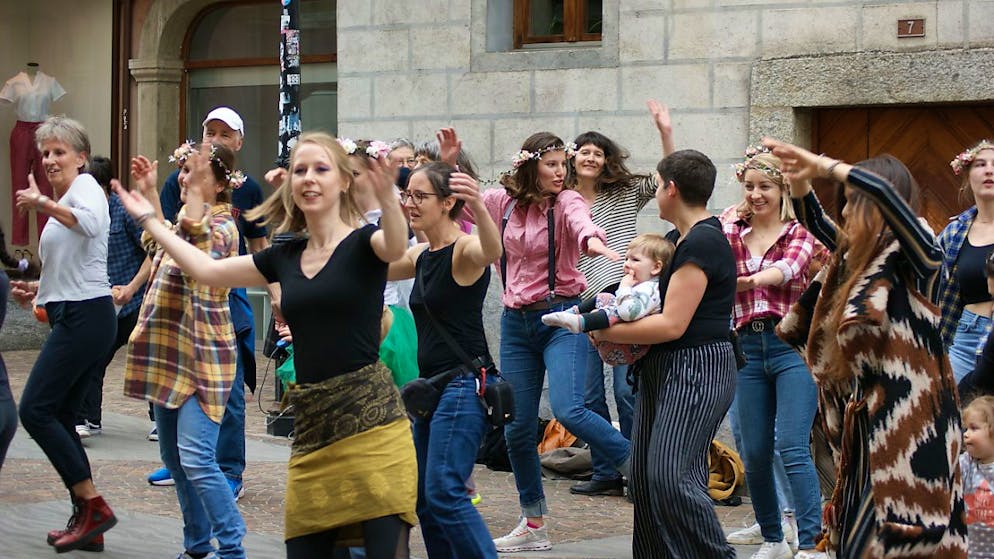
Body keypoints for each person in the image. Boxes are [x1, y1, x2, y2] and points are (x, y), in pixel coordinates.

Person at [113, 132, 416, 558]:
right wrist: (149, 220)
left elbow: (397, 246)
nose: (309, 178)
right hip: (313, 432)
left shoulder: (364, 245)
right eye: (300, 170)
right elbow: (204, 268)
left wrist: (388, 199)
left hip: (373, 428)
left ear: (344, 181)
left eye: (321, 169)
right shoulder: (284, 256)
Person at [766, 138, 967, 557]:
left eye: (854, 202)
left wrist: (823, 164)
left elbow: (885, 196)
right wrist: (801, 183)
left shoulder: (922, 258)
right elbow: (818, 222)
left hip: (914, 427)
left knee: (908, 540)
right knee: (856, 541)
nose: (843, 213)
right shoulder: (855, 262)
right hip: (866, 426)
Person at [470, 131, 627, 554]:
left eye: (564, 164)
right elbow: (468, 204)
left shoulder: (569, 201)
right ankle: (533, 522)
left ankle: (639, 467)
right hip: (515, 322)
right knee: (516, 429)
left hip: (562, 316)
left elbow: (583, 226)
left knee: (570, 408)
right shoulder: (501, 202)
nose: (561, 172)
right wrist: (449, 166)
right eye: (553, 164)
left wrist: (595, 244)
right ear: (530, 166)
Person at [592, 149, 737, 558]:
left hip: (698, 367)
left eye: (658, 184)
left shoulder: (705, 242)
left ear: (671, 189)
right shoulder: (677, 240)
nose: (656, 192)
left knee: (670, 477)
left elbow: (673, 324)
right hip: (666, 366)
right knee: (644, 476)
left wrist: (604, 327)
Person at [124, 141, 246, 559]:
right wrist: (150, 195)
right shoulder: (181, 223)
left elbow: (197, 250)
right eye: (184, 172)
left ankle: (232, 548)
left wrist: (186, 202)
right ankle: (196, 547)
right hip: (169, 356)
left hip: (203, 359)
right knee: (175, 462)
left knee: (196, 460)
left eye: (195, 174)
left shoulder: (225, 229)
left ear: (218, 186)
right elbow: (161, 244)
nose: (185, 179)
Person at [147, 107, 268, 498]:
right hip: (178, 302)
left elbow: (257, 245)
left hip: (224, 301)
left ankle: (229, 470)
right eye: (208, 131)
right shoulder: (176, 182)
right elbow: (163, 236)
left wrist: (278, 295)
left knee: (227, 390)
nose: (214, 139)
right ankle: (178, 459)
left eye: (223, 133)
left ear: (238, 141)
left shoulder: (241, 197)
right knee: (173, 380)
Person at [386, 161, 502, 558]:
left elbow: (492, 250)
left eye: (420, 196)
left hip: (462, 386)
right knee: (425, 500)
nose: (410, 203)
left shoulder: (463, 251)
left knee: (446, 491)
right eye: (408, 195)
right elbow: (375, 267)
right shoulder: (421, 254)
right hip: (430, 390)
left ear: (448, 201)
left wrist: (480, 207)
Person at [12, 115, 117, 553]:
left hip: (86, 318)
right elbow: (73, 267)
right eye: (46, 153)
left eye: (60, 152)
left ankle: (93, 506)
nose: (51, 159)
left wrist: (43, 204)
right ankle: (87, 520)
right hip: (74, 314)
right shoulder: (68, 198)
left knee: (35, 410)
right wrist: (36, 292)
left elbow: (90, 226)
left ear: (81, 157)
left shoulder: (87, 188)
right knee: (59, 418)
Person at [565, 101, 674, 497]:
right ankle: (605, 470)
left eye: (599, 152)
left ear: (607, 160)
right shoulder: (561, 201)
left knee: (627, 391)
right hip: (579, 303)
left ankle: (636, 470)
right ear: (571, 159)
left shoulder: (624, 192)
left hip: (620, 301)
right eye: (584, 151)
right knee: (588, 395)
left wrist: (665, 132)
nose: (591, 157)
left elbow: (667, 177)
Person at [719, 146, 823, 559]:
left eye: (765, 186)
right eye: (749, 187)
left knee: (791, 444)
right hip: (746, 345)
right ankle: (774, 537)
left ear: (782, 189)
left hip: (790, 347)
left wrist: (741, 281)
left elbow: (788, 271)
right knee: (755, 449)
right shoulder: (732, 232)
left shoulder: (799, 234)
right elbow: (715, 260)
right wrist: (730, 218)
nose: (756, 195)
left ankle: (813, 542)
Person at [74, 156, 149, 439]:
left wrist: (131, 287)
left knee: (148, 360)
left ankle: (160, 421)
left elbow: (154, 253)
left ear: (105, 188)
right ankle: (87, 419)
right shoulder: (82, 212)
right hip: (102, 303)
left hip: (135, 302)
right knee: (93, 357)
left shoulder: (124, 212)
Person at [541, 234, 673, 365]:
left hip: (628, 348)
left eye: (635, 260)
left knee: (615, 309)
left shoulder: (651, 290)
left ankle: (581, 322)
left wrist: (624, 287)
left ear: (656, 267)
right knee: (605, 298)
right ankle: (571, 313)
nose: (627, 264)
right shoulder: (639, 286)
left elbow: (628, 313)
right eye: (626, 259)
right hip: (613, 343)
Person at [940, 140, 994, 383]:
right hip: (963, 336)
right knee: (952, 415)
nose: (989, 170)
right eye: (980, 164)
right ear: (967, 176)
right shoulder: (954, 232)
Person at [0, 62, 65, 245]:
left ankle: (46, 238)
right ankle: (20, 241)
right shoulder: (15, 82)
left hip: (43, 131)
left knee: (45, 183)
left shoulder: (49, 82)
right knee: (19, 184)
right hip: (21, 130)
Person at [960, 395, 994, 558]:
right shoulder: (968, 462)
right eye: (965, 429)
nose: (966, 434)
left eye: (973, 428)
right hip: (969, 552)